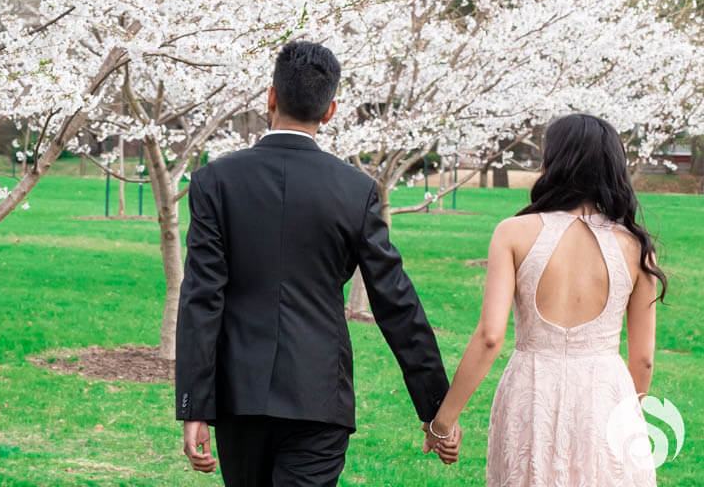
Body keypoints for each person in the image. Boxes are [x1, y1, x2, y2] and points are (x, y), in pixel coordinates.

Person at [174, 40, 455, 486]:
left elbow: (202, 298)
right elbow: (394, 300)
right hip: (319, 394)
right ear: (330, 111)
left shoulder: (214, 181)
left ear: (270, 97)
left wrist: (194, 405)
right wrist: (436, 405)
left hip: (239, 397)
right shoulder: (354, 189)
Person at [429, 113, 666, 486]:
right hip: (605, 393)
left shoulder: (513, 232)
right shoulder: (636, 247)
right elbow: (644, 359)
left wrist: (444, 421)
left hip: (532, 389)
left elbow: (491, 336)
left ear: (552, 163)